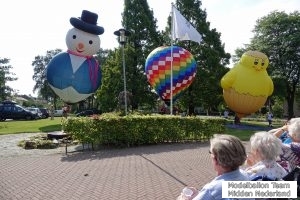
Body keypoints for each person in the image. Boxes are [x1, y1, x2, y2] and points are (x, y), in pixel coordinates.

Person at [177, 134, 252, 200]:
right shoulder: (245, 176)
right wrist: (200, 194)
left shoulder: (212, 190)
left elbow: (217, 193)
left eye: (210, 152)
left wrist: (182, 198)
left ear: (216, 159)